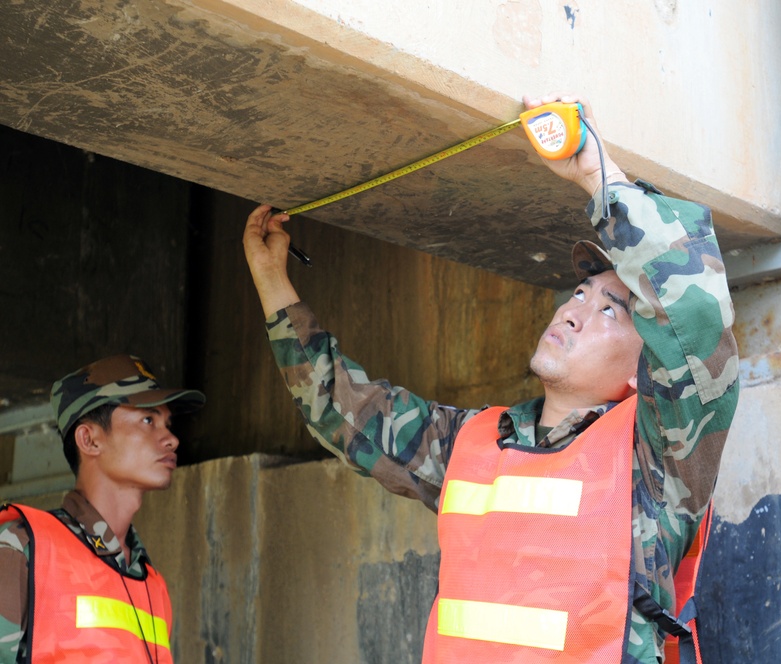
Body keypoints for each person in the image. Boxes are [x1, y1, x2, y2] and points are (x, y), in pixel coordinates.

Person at [242, 93, 740, 663]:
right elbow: (340, 408)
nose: (574, 309)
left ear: (645, 367)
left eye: (611, 309)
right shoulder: (471, 443)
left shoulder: (660, 460)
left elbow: (694, 314)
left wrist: (599, 175)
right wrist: (270, 279)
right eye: (579, 293)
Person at [0, 354, 205, 664]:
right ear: (89, 439)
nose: (172, 439)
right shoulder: (22, 548)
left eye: (167, 423)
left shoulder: (152, 583)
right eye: (148, 420)